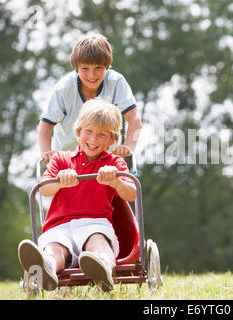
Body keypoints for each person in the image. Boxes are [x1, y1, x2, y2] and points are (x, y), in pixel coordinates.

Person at [18, 98, 137, 292]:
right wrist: (58, 180)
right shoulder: (61, 159)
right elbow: (45, 190)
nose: (93, 139)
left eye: (102, 135)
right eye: (88, 131)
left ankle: (103, 267)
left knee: (97, 241)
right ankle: (47, 268)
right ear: (78, 131)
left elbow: (131, 194)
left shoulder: (114, 163)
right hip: (60, 225)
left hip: (95, 222)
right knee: (55, 247)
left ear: (111, 139)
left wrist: (115, 181)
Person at [38, 33, 142, 162]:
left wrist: (128, 147)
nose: (92, 75)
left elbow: (135, 119)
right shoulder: (64, 89)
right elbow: (45, 126)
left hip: (105, 162)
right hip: (69, 161)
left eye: (98, 68)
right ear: (76, 68)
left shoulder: (116, 82)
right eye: (85, 68)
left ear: (107, 66)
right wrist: (46, 153)